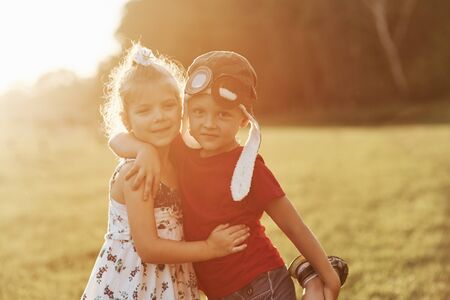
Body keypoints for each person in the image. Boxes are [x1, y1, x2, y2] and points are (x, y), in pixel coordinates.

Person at [110, 51, 346, 299]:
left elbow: (293, 225)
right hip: (220, 291)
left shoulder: (249, 166)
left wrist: (330, 276)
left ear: (244, 119)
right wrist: (143, 149)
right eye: (199, 112)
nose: (209, 123)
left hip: (261, 282)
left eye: (222, 114)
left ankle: (314, 282)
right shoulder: (182, 152)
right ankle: (309, 275)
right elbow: (117, 139)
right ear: (186, 112)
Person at [82, 45, 250, 300]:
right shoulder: (136, 172)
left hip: (172, 279)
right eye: (144, 110)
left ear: (181, 108)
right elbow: (148, 248)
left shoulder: (178, 158)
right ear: (127, 120)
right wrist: (210, 248)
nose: (159, 117)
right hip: (135, 283)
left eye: (168, 106)